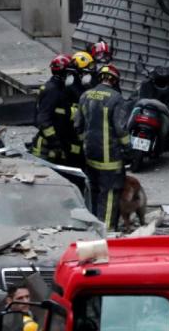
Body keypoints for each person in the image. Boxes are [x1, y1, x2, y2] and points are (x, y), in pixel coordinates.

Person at [75, 64, 131, 230]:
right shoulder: (116, 98)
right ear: (115, 80)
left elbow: (78, 125)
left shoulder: (85, 95)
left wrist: (85, 144)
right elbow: (121, 130)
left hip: (90, 155)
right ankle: (105, 231)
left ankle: (91, 227)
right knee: (109, 193)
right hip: (110, 158)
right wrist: (129, 150)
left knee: (93, 191)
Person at [29, 55, 72, 164]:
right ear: (64, 73)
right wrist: (55, 142)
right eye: (69, 72)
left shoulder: (57, 88)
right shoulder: (53, 90)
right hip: (45, 147)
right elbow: (43, 120)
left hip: (53, 145)